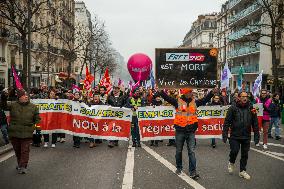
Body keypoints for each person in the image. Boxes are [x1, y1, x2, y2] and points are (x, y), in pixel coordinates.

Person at [159, 87, 216, 180]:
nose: (192, 93)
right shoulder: (177, 101)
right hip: (180, 131)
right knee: (178, 151)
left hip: (191, 131)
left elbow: (205, 100)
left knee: (192, 151)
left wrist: (212, 93)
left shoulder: (195, 102)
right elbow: (167, 98)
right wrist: (161, 92)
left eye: (192, 92)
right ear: (185, 93)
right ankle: (179, 167)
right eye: (190, 92)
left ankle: (193, 171)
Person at [1, 89, 41, 174]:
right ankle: (20, 163)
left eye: (27, 95)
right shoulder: (13, 105)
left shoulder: (33, 107)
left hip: (27, 133)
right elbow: (3, 105)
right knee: (17, 150)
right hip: (14, 132)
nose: (26, 96)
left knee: (25, 150)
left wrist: (37, 129)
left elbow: (37, 119)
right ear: (19, 97)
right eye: (24, 95)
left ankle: (23, 166)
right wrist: (3, 97)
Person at [222, 91, 260, 180]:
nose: (245, 98)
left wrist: (256, 136)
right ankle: (231, 162)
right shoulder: (232, 108)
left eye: (246, 96)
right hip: (235, 135)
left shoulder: (251, 107)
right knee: (234, 151)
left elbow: (255, 123)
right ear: (238, 97)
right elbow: (227, 122)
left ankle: (242, 171)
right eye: (243, 96)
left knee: (245, 154)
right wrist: (224, 134)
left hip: (246, 136)